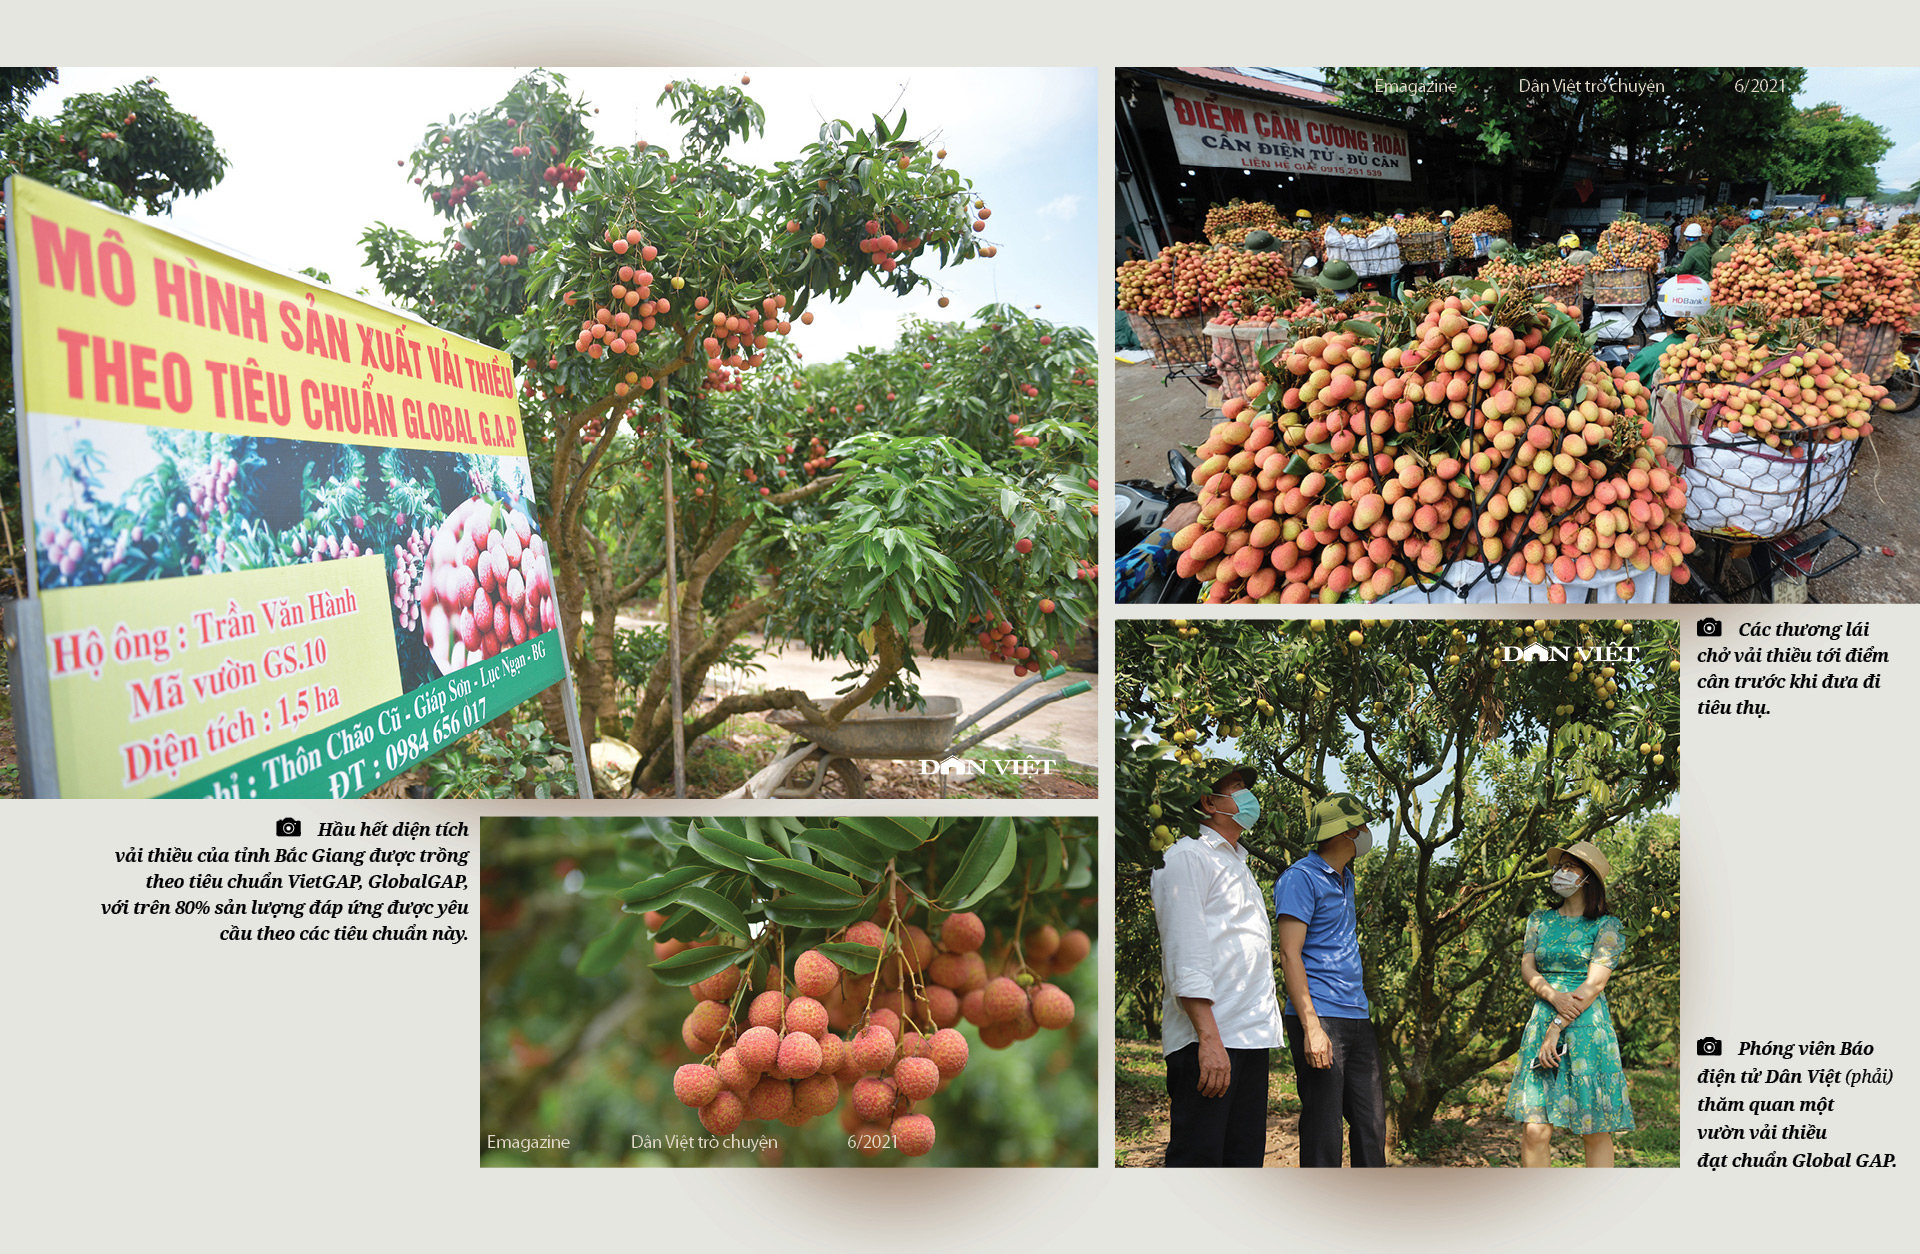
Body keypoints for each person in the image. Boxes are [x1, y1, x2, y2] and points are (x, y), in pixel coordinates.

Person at [1150, 762, 1285, 1167]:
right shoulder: (1186, 858)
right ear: (1209, 802)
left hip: (1247, 1036)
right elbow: (1185, 951)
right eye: (1238, 787)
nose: (1249, 797)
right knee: (1200, 1159)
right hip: (1210, 1038)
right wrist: (1209, 1039)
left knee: (1242, 1159)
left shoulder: (1236, 863)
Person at [1505, 840, 1635, 1168]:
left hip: (1587, 1027)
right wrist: (1552, 997)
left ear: (1588, 877)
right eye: (1559, 866)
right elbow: (1527, 967)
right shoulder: (1539, 920)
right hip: (1543, 1017)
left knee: (1593, 1130)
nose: (1560, 872)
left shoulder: (1608, 926)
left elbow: (1594, 984)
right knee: (1535, 1128)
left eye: (1569, 866)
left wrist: (1557, 1025)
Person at [1274, 792, 1387, 1168]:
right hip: (1320, 1016)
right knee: (1324, 1130)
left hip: (1356, 1015)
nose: (1368, 832)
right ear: (1348, 832)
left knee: (1371, 1124)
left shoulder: (1346, 878)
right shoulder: (1300, 879)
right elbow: (1290, 953)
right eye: (1364, 826)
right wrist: (1311, 1027)